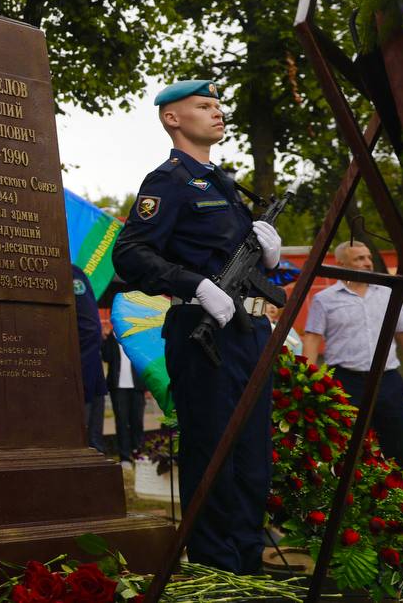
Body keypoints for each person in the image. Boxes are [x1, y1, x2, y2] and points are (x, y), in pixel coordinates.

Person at [111, 79, 282, 575]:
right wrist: (193, 284)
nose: (217, 112)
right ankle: (216, 566)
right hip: (201, 330)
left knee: (253, 453)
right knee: (214, 451)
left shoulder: (225, 184)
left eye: (219, 105)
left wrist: (268, 258)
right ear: (172, 118)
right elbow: (130, 253)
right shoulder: (168, 181)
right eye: (204, 105)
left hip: (249, 330)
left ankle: (248, 562)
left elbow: (239, 257)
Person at [303, 240, 403, 479]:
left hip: (387, 381)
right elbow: (313, 338)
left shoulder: (388, 293)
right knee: (348, 447)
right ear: (341, 264)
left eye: (368, 258)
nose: (367, 263)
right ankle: (351, 507)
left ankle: (402, 507)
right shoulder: (324, 299)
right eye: (359, 259)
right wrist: (305, 378)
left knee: (396, 444)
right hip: (345, 383)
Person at [73, 264, 108, 453]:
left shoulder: (70, 274)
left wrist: (81, 382)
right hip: (83, 381)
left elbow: (90, 329)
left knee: (86, 449)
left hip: (82, 380)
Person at [102, 329, 146, 469]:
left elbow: (143, 358)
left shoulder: (136, 336)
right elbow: (106, 356)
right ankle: (125, 457)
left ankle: (138, 452)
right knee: (121, 422)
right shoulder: (112, 338)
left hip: (136, 386)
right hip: (118, 387)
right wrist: (109, 337)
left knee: (137, 421)